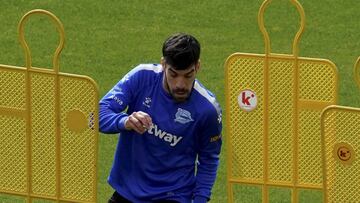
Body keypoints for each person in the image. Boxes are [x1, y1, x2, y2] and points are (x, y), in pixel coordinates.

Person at [99, 33, 222, 203]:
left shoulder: (207, 109)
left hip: (173, 196)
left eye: (188, 75)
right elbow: (98, 114)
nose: (180, 84)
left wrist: (200, 199)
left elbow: (209, 158)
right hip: (127, 192)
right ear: (164, 64)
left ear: (197, 67)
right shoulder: (141, 77)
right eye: (173, 74)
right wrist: (125, 121)